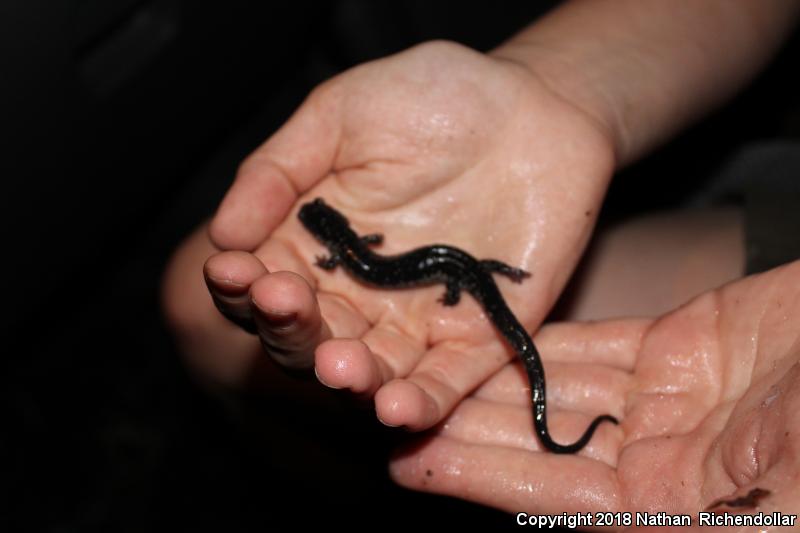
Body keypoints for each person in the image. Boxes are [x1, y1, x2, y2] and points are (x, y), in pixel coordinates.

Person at [161, 0, 800, 517]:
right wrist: (555, 88)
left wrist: (457, 282)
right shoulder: (353, 248)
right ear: (337, 234)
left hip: (460, 269)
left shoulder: (346, 253)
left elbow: (367, 261)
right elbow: (390, 260)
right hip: (461, 267)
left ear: (330, 236)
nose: (319, 226)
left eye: (320, 227)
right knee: (203, 311)